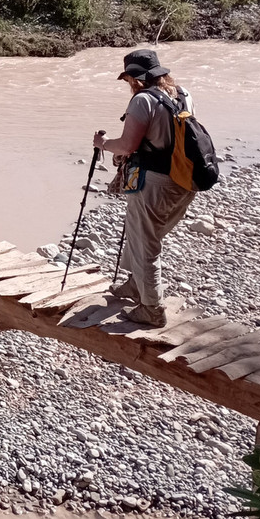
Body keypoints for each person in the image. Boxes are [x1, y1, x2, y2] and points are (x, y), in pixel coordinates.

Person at [94, 49, 197, 328]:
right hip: (185, 179)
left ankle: (151, 308)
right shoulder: (182, 93)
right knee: (144, 234)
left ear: (135, 78)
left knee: (146, 243)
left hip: (155, 183)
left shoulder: (142, 100)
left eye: (128, 77)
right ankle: (134, 285)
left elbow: (127, 146)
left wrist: (102, 145)